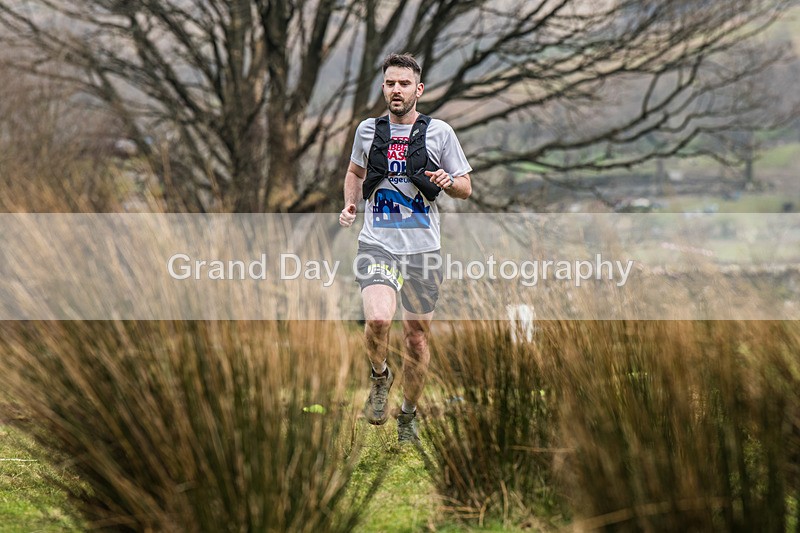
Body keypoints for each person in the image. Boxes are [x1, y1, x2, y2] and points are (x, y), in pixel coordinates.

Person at [338, 53, 472, 443]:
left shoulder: (440, 133)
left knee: (416, 338)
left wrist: (448, 181)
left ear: (419, 90)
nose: (397, 90)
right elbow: (355, 172)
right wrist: (350, 203)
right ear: (383, 88)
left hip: (423, 250)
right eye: (390, 83)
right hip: (377, 243)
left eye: (404, 84)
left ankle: (409, 415)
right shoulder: (368, 131)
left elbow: (465, 188)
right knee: (378, 320)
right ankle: (380, 377)